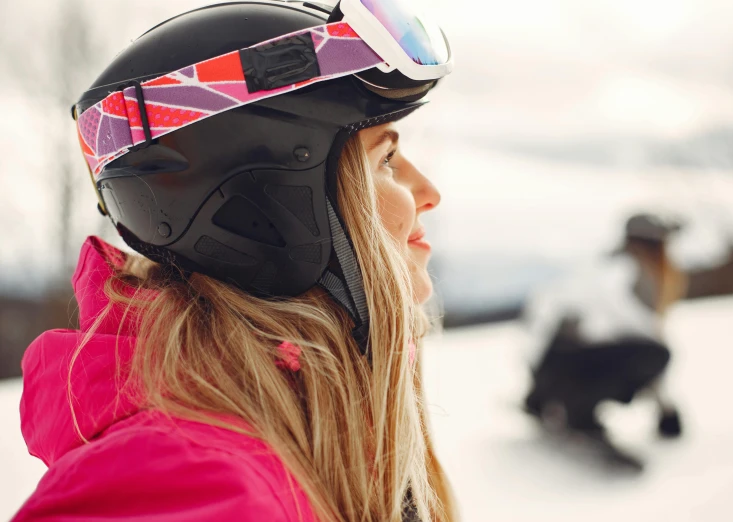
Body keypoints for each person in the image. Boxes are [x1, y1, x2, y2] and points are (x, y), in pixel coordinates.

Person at [14, 2, 457, 521]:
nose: (429, 193)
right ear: (270, 201)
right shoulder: (188, 484)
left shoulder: (302, 433)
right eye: (385, 159)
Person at [522, 213, 686, 468]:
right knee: (657, 355)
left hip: (546, 368)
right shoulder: (631, 270)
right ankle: (579, 414)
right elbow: (640, 334)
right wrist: (667, 411)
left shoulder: (603, 264)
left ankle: (550, 402)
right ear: (654, 244)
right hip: (563, 366)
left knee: (640, 351)